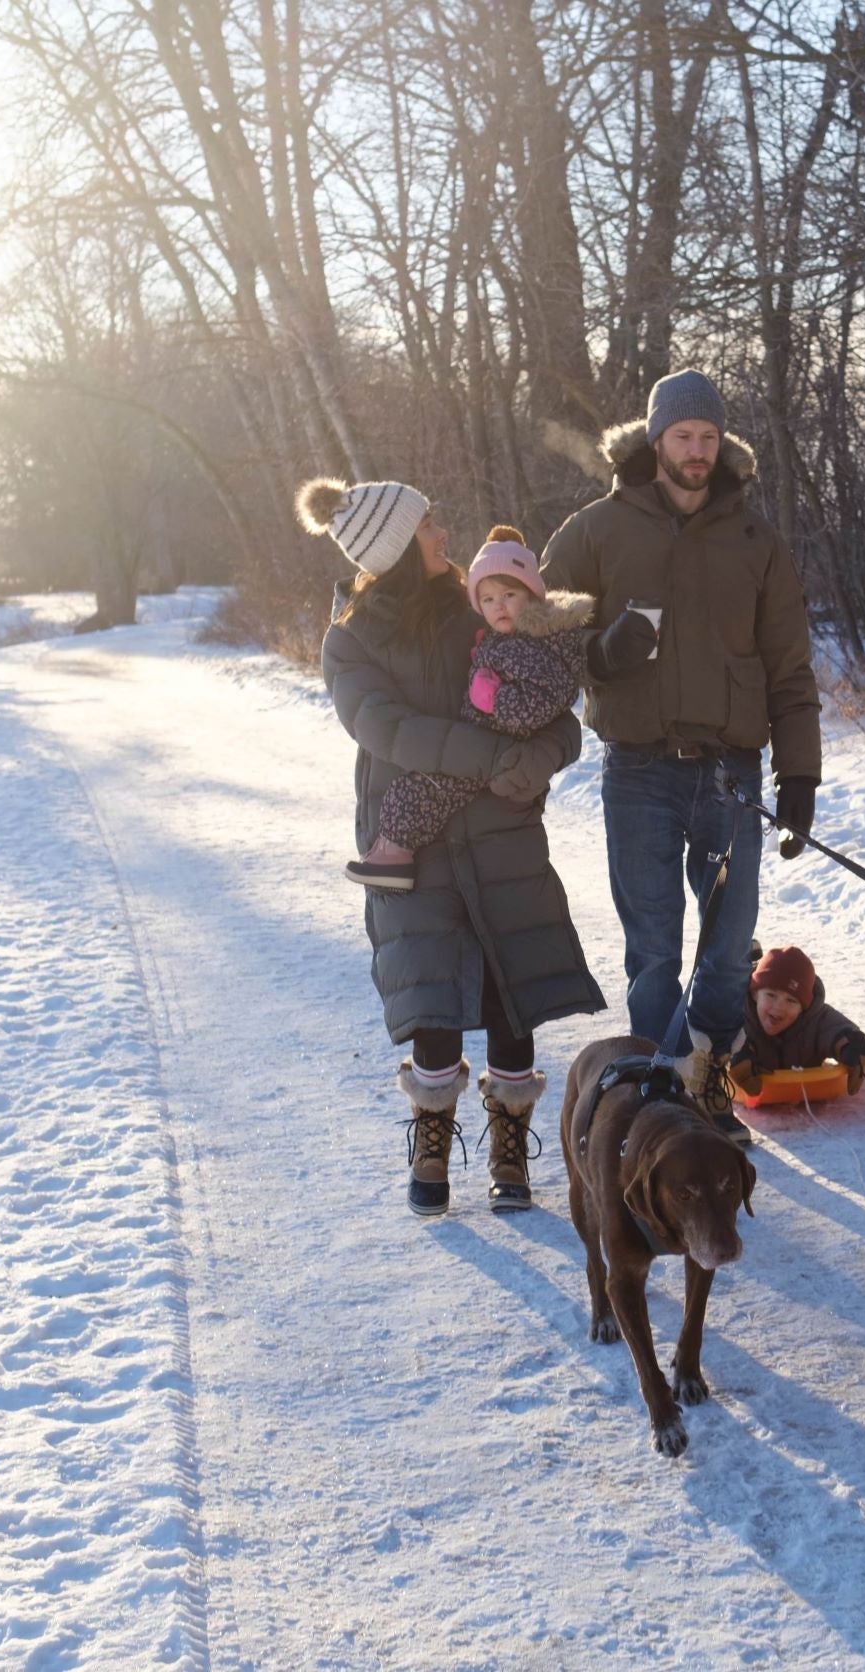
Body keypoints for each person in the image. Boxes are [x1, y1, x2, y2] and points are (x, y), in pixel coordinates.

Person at [307, 478, 604, 1215]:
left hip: (502, 831)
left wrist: (545, 754)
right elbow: (385, 730)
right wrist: (491, 760)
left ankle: (510, 1150)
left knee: (512, 997)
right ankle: (434, 1143)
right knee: (432, 1003)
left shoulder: (481, 605)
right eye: (429, 524)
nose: (444, 532)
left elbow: (553, 706)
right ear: (400, 543)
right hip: (411, 839)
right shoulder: (350, 637)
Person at [541, 370, 823, 1147]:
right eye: (681, 437)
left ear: (720, 445)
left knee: (731, 946)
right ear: (654, 440)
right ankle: (660, 1097)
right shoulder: (598, 529)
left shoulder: (754, 540)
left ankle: (703, 1075)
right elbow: (534, 629)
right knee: (656, 950)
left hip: (731, 769)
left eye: (707, 438)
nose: (695, 452)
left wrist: (799, 773)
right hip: (638, 768)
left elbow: (790, 667)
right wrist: (601, 651)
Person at [345, 526, 594, 891]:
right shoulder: (499, 636)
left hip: (494, 750)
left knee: (418, 793)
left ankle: (393, 855)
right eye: (489, 599)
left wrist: (491, 698)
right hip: (480, 745)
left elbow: (543, 707)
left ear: (531, 594)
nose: (499, 606)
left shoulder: (534, 643)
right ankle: (389, 851)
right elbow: (380, 722)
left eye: (510, 594)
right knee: (412, 792)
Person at [725, 945, 865, 1100]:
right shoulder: (737, 1015)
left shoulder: (815, 1018)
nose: (779, 1007)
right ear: (755, 994)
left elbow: (839, 1030)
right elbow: (721, 1036)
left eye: (791, 1000)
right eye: (771, 995)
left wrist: (855, 1047)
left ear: (804, 1007)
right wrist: (734, 1057)